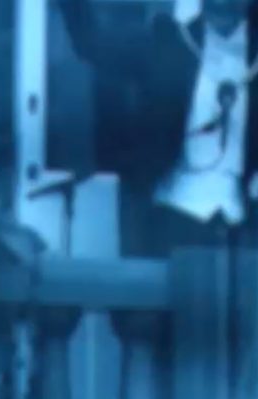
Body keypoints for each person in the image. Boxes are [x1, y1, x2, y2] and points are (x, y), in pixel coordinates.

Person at [59, 0, 258, 256]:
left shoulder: (253, 57)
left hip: (240, 223)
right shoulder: (170, 45)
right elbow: (92, 44)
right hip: (175, 214)